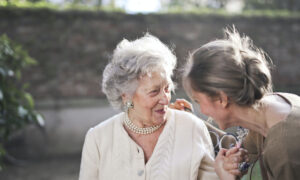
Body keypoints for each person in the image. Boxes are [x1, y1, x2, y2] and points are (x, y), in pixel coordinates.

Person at [79, 34, 243, 180]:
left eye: (167, 88)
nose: (165, 99)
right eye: (154, 92)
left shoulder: (192, 128)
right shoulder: (98, 138)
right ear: (126, 95)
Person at [182, 27, 300, 180]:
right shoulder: (275, 106)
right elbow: (242, 149)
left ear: (222, 99)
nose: (202, 110)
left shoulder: (284, 151)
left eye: (198, 101)